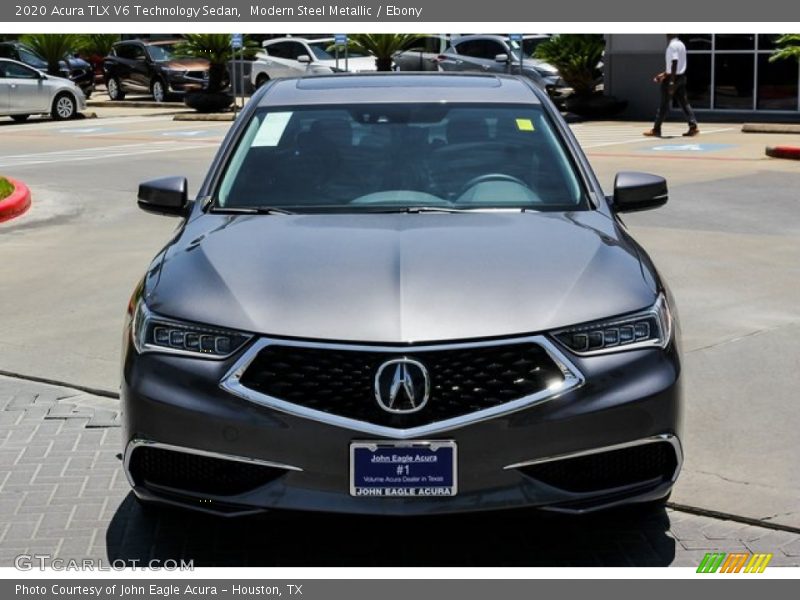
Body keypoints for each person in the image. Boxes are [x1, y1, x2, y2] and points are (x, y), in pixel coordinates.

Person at [644, 34, 699, 138]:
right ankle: (693, 126)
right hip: (681, 77)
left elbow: (674, 62)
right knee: (684, 103)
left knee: (664, 104)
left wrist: (671, 81)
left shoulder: (672, 46)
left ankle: (656, 129)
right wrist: (664, 74)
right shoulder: (681, 44)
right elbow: (675, 66)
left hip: (673, 79)